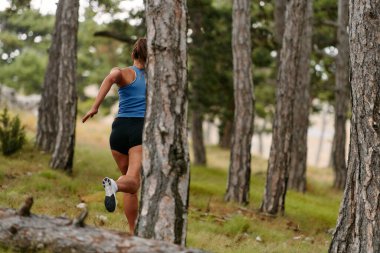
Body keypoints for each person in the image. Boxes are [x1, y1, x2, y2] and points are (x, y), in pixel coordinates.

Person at [82, 38, 147, 235]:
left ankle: (133, 231)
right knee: (132, 181)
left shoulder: (124, 72)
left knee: (131, 187)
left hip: (118, 129)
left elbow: (111, 77)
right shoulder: (155, 77)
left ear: (132, 54)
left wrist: (95, 107)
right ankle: (114, 185)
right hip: (139, 128)